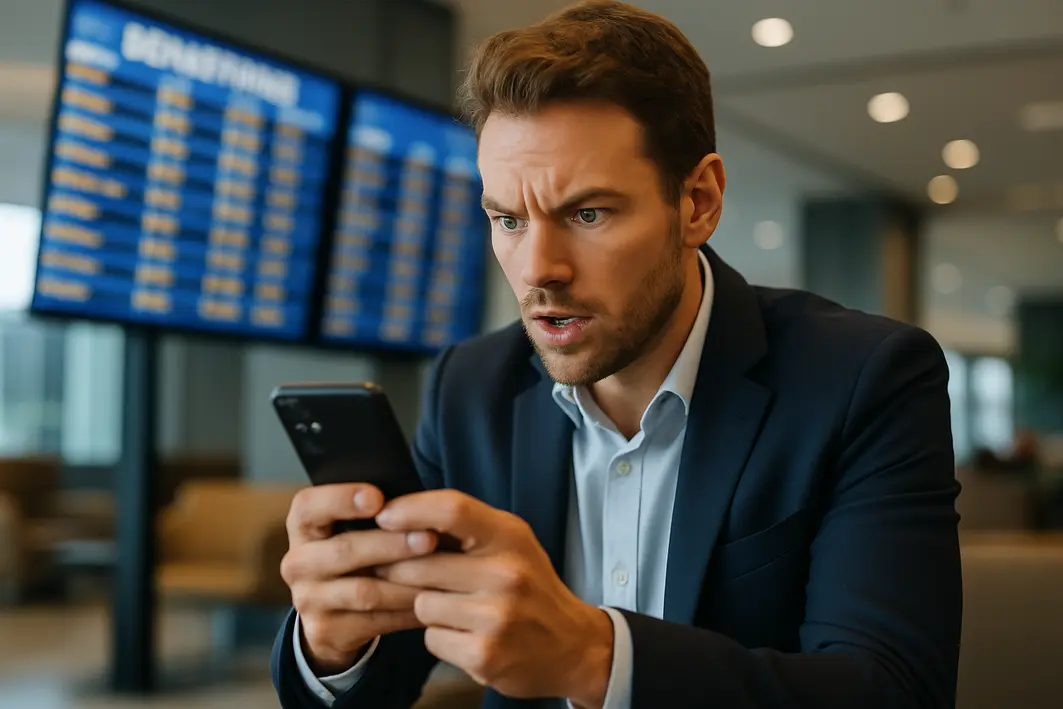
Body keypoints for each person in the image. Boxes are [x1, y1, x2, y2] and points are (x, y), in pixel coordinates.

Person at [271, 1, 963, 707]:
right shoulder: (469, 388)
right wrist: (334, 642)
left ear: (697, 201)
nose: (538, 268)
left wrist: (595, 655)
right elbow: (383, 676)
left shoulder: (863, 377)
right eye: (507, 219)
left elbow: (891, 690)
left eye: (586, 213)